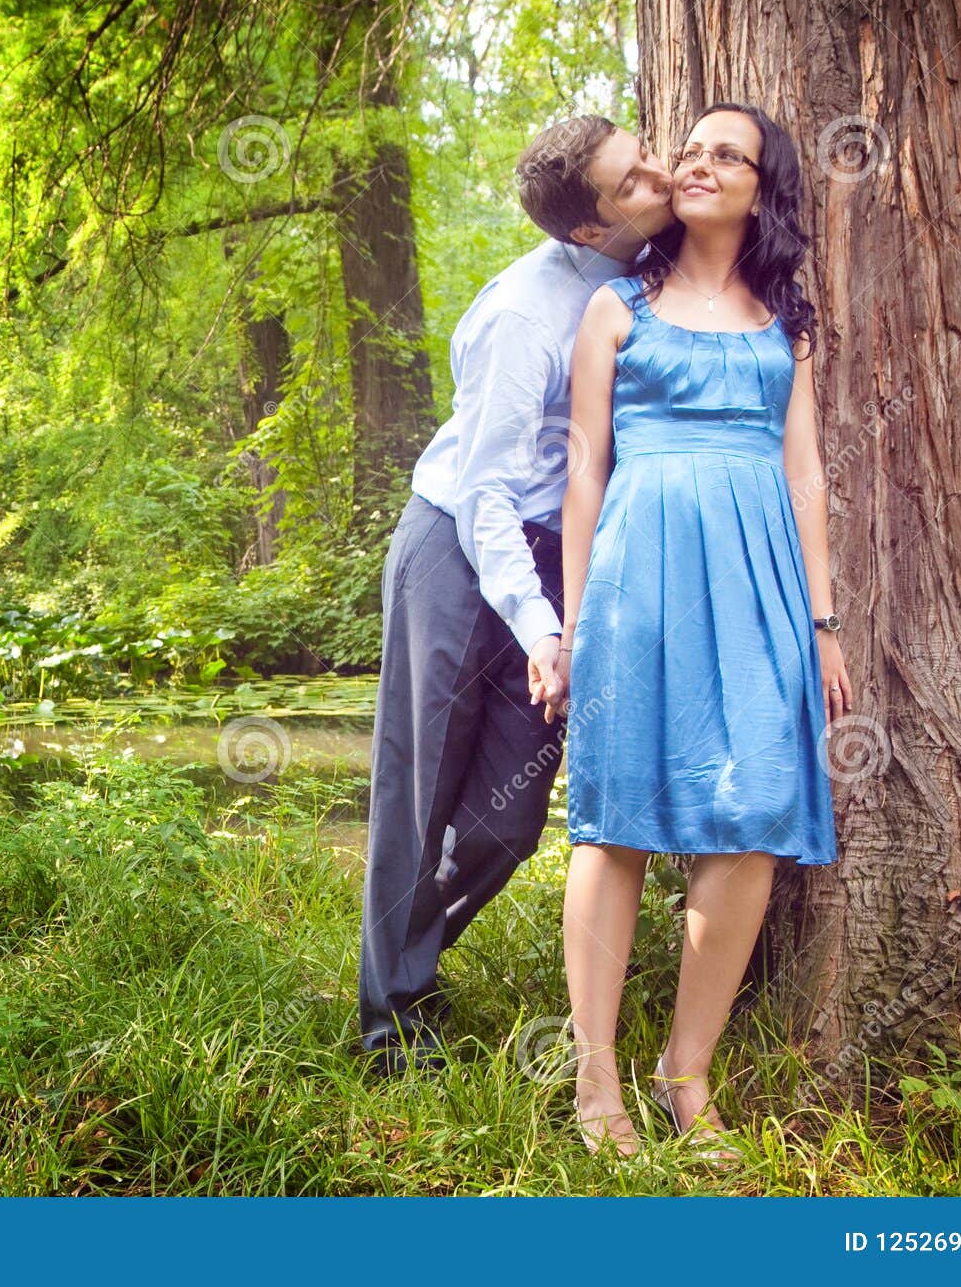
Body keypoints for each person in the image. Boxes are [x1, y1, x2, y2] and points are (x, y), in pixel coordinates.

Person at [548, 103, 852, 1155]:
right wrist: (574, 621)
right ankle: (595, 1089)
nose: (700, 163)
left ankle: (688, 1077)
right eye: (691, 148)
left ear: (761, 189)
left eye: (729, 154)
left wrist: (821, 622)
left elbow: (803, 470)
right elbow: (584, 471)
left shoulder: (785, 320)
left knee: (758, 809)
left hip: (759, 580)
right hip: (639, 578)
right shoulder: (617, 308)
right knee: (616, 812)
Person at [357, 115, 679, 1076]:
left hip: (559, 553)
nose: (660, 178)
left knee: (507, 822)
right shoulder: (525, 317)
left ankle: (408, 950)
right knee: (420, 796)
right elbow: (487, 494)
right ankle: (392, 1027)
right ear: (588, 228)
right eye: (634, 182)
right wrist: (543, 629)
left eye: (648, 155)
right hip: (459, 553)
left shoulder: (645, 275)